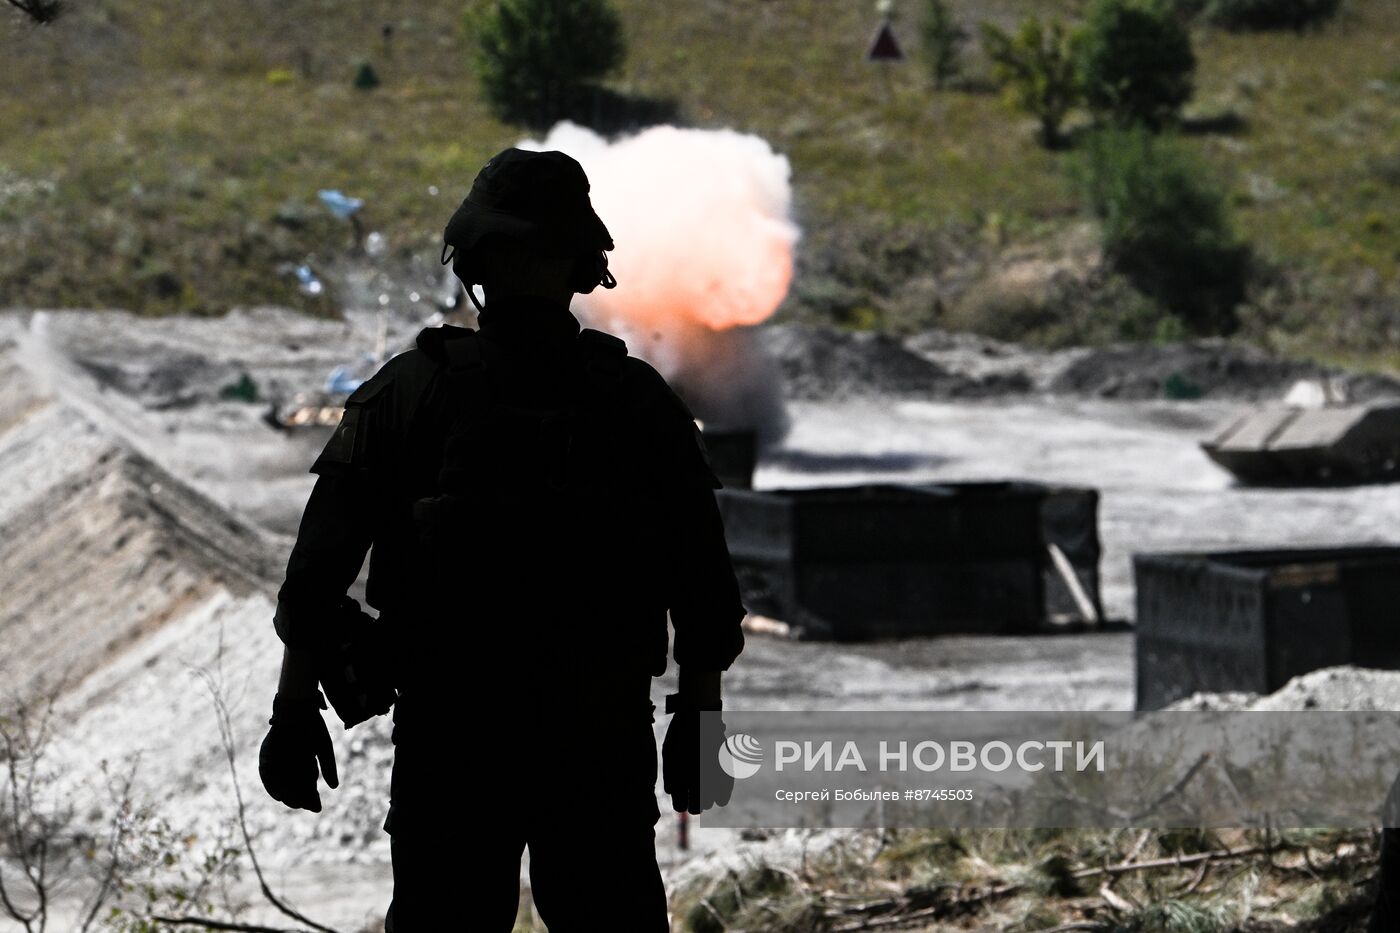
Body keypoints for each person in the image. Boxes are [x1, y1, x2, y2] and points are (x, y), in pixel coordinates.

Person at [257, 148, 747, 931]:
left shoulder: (408, 391)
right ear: (585, 266)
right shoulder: (636, 402)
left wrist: (292, 709)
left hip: (456, 745)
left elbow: (313, 582)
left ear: (473, 261)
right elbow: (703, 588)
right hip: (595, 742)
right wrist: (701, 718)